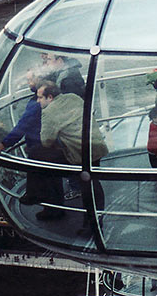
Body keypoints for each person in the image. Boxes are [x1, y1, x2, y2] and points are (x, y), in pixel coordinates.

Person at [33, 82, 109, 226]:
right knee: (93, 184)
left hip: (80, 154)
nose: (38, 101)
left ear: (50, 97)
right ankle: (96, 218)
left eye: (40, 98)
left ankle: (57, 209)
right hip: (96, 148)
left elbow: (46, 141)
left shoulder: (49, 111)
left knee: (41, 161)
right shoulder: (73, 97)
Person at [0, 69, 42, 156]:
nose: (28, 83)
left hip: (38, 147)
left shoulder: (36, 103)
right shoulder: (51, 93)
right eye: (27, 80)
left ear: (39, 79)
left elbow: (22, 126)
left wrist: (3, 145)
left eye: (30, 80)